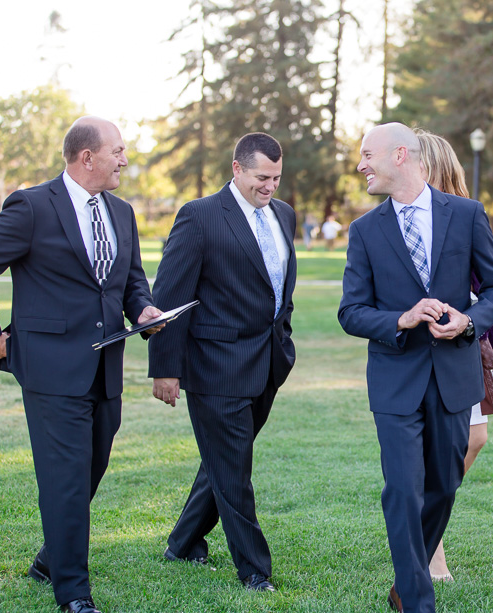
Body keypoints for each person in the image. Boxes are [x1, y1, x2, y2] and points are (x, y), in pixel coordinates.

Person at [0, 116, 163, 613]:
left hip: (106, 371)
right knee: (67, 480)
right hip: (50, 370)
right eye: (118, 150)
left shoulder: (122, 212)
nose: (125, 159)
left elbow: (130, 282)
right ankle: (73, 594)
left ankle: (48, 560)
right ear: (87, 157)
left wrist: (142, 309)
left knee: (91, 468)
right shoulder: (32, 206)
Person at [338, 123, 493, 613]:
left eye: (367, 155)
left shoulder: (466, 214)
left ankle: (404, 583)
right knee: (402, 489)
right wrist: (402, 317)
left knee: (443, 485)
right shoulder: (365, 231)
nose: (361, 165)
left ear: (400, 155)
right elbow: (351, 311)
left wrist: (467, 320)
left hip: (455, 378)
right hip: (395, 380)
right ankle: (417, 600)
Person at [148, 132, 297, 593]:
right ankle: (255, 570)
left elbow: (279, 287)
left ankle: (183, 541)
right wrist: (165, 369)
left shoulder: (284, 215)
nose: (269, 186)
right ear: (236, 169)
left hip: (269, 361)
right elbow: (170, 297)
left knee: (221, 460)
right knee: (234, 468)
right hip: (216, 366)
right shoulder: (200, 216)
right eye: (261, 177)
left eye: (275, 177)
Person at [413, 128, 493, 582]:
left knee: (474, 440)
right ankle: (432, 550)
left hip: (467, 344)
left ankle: (428, 520)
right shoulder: (406, 217)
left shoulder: (466, 215)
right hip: (427, 350)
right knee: (441, 449)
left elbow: (491, 288)